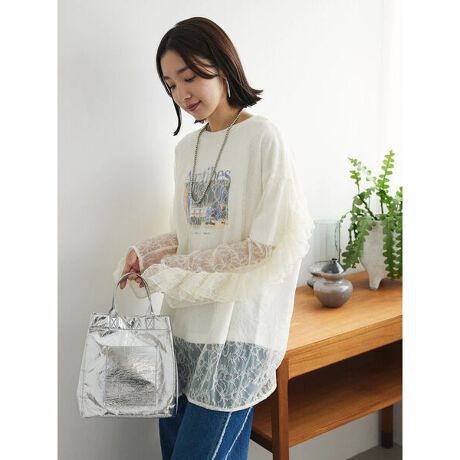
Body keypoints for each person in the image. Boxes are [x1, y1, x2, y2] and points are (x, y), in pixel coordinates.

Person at [113, 16, 315, 460]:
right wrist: (146, 253)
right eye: (170, 85)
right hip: (183, 330)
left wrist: (174, 269)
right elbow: (189, 236)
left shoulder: (263, 138)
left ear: (222, 65)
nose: (182, 94)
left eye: (189, 76)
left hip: (236, 334)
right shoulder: (185, 150)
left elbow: (264, 245)